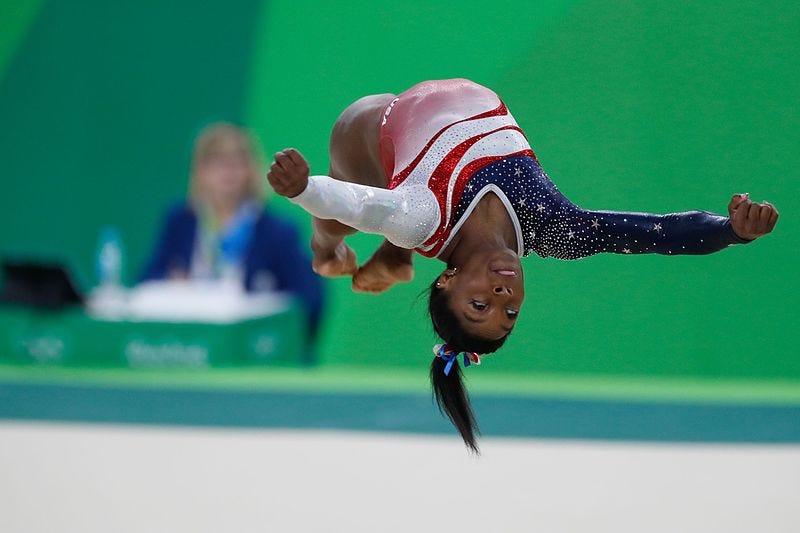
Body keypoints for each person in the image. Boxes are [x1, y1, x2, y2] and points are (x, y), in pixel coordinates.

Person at [266, 79, 779, 451]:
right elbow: (652, 235)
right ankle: (395, 261)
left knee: (346, 203)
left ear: (447, 280)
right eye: (508, 312)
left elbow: (358, 205)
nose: (504, 294)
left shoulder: (423, 216)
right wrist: (730, 231)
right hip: (421, 141)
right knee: (388, 200)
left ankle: (331, 257)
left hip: (384, 130)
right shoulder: (554, 228)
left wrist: (304, 188)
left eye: (480, 303)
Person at [142, 122, 324, 352]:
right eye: (217, 162)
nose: (228, 171)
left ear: (251, 170)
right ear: (200, 170)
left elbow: (309, 301)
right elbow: (147, 280)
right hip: (190, 344)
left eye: (237, 162)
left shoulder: (277, 231)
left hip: (249, 348)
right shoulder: (180, 222)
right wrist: (173, 285)